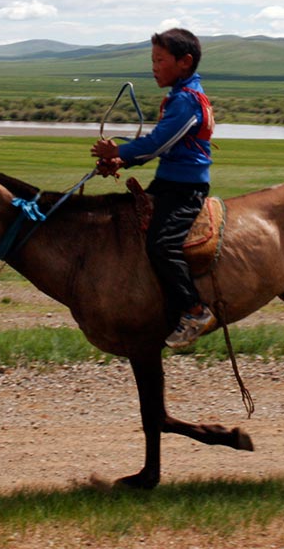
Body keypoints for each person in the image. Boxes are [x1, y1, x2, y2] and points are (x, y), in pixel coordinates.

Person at [91, 28, 216, 349]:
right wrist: (121, 163)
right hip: (169, 181)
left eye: (160, 60)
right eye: (152, 60)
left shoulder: (187, 101)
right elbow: (161, 148)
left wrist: (117, 153)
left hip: (185, 189)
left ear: (184, 62)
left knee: (162, 245)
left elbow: (159, 143)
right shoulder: (180, 96)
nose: (154, 67)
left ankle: (194, 310)